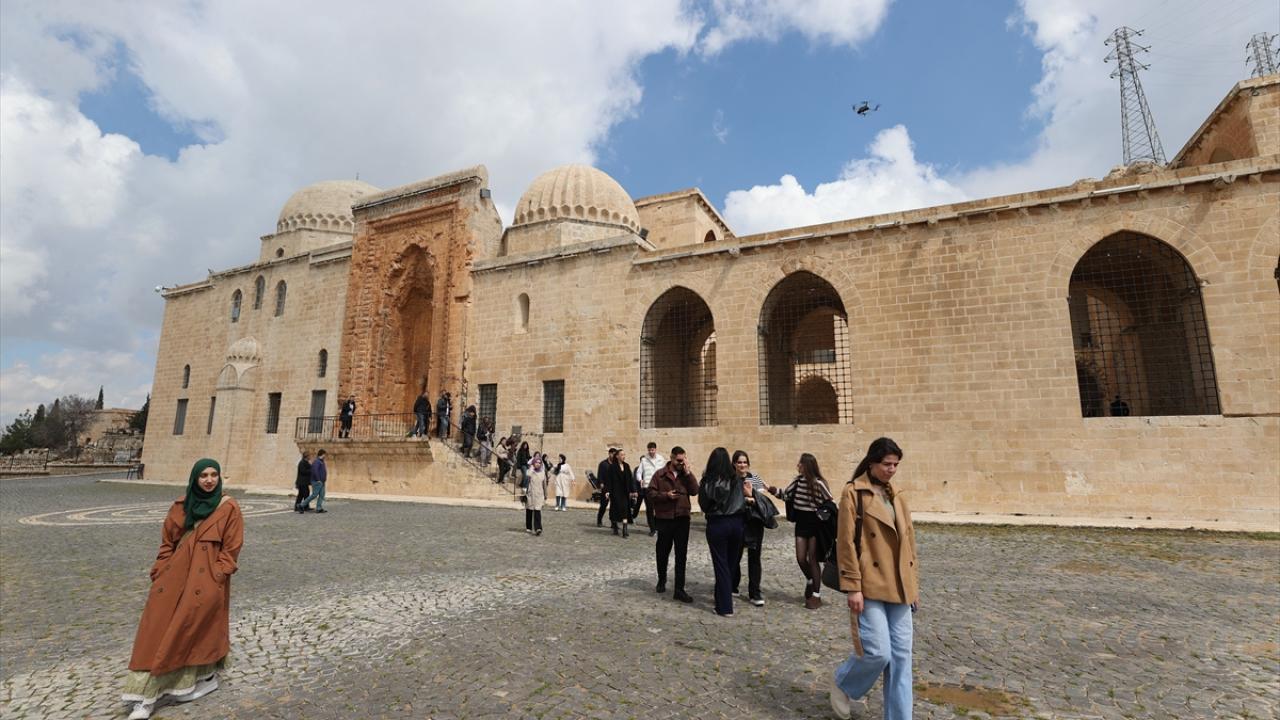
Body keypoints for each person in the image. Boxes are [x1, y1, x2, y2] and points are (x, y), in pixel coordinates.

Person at [122, 458, 243, 720]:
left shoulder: (228, 507)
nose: (209, 480)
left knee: (191, 629)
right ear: (194, 478)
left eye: (214, 475)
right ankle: (145, 691)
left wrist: (217, 576)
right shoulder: (180, 506)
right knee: (155, 631)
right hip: (172, 580)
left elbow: (231, 549)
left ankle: (183, 684)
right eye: (204, 475)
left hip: (205, 581)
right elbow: (167, 543)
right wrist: (159, 571)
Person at [830, 438, 920, 720]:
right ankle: (844, 682)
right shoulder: (853, 493)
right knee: (879, 653)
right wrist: (852, 587)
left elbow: (910, 543)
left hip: (901, 586)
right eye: (886, 464)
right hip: (869, 585)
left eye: (895, 464)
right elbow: (845, 543)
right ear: (872, 463)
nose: (891, 470)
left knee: (902, 660)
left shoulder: (898, 495)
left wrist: (914, 585)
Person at [775, 452, 834, 609]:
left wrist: (821, 515)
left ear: (806, 466)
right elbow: (786, 495)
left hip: (815, 525)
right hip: (801, 524)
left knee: (812, 558)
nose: (798, 466)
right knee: (801, 558)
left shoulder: (819, 483)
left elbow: (830, 502)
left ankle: (816, 595)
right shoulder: (797, 481)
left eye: (800, 464)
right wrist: (770, 489)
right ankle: (810, 579)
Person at [698, 447, 747, 617]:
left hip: (718, 523)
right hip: (736, 523)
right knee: (730, 564)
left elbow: (703, 505)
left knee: (721, 565)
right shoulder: (736, 480)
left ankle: (725, 606)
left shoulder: (707, 481)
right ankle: (721, 597)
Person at [646, 446, 698, 603]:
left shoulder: (685, 475)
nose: (681, 463)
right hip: (664, 519)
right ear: (672, 457)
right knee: (662, 552)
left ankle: (679, 589)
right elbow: (650, 494)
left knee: (681, 555)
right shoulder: (660, 475)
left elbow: (695, 491)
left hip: (682, 519)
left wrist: (688, 473)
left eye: (683, 460)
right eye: (678, 460)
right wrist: (666, 495)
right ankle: (662, 580)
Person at [731, 450, 770, 607]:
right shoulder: (730, 479)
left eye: (745, 462)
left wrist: (750, 494)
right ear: (734, 464)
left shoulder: (755, 478)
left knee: (754, 558)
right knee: (735, 556)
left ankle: (755, 592)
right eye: (739, 462)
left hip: (754, 522)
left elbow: (761, 500)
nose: (742, 465)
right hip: (737, 521)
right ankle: (733, 585)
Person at [634, 441, 665, 536]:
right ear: (648, 450)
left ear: (655, 449)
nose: (651, 451)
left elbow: (665, 471)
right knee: (650, 509)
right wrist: (640, 479)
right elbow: (638, 472)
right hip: (647, 487)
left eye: (653, 449)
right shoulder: (644, 460)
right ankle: (652, 529)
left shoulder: (661, 459)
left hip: (659, 487)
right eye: (650, 450)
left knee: (659, 508)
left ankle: (658, 526)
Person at [604, 448, 635, 537]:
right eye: (621, 455)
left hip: (625, 492)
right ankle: (614, 527)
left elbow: (630, 479)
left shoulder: (627, 466)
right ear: (617, 456)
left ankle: (625, 530)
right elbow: (609, 480)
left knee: (625, 510)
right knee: (615, 510)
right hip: (615, 492)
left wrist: (633, 491)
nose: (623, 456)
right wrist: (607, 491)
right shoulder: (612, 467)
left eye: (624, 455)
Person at [524, 453, 548, 535]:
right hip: (531, 494)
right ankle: (529, 527)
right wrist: (532, 467)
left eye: (539, 463)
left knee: (537, 511)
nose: (538, 464)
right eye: (536, 462)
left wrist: (546, 494)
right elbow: (528, 475)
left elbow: (544, 484)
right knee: (529, 510)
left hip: (539, 494)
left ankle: (538, 528)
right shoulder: (531, 471)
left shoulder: (543, 472)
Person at [300, 449, 328, 513]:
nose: (325, 456)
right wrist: (318, 479)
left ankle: (319, 508)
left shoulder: (322, 461)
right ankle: (301, 505)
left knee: (322, 495)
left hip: (322, 482)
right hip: (317, 481)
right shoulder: (317, 461)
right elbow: (315, 471)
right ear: (322, 454)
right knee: (314, 495)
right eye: (325, 454)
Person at [595, 447, 617, 528]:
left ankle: (613, 523)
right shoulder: (603, 464)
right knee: (603, 505)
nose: (614, 456)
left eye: (615, 454)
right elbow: (600, 475)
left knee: (614, 507)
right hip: (606, 487)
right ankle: (599, 520)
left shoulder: (616, 464)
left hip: (614, 488)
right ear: (609, 454)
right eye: (613, 454)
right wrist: (601, 484)